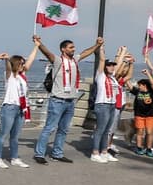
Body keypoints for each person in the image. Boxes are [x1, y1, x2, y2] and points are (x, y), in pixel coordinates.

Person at [33, 36, 102, 164]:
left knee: (63, 129)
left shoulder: (75, 60)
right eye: (71, 47)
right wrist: (39, 43)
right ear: (63, 49)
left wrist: (97, 45)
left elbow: (85, 53)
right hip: (57, 101)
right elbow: (47, 53)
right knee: (49, 128)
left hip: (70, 101)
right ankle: (39, 154)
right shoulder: (58, 61)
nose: (73, 49)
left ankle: (57, 154)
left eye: (73, 47)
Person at [0, 38, 40, 169]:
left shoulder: (22, 76)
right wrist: (7, 59)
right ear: (15, 64)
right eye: (20, 63)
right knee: (3, 134)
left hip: (21, 109)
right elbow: (8, 67)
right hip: (9, 108)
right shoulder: (10, 76)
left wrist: (36, 47)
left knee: (15, 136)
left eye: (22, 63)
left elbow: (30, 61)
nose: (22, 65)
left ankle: (14, 158)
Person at [90, 44, 125, 163]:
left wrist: (123, 52)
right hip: (102, 104)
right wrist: (101, 49)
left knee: (107, 131)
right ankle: (95, 153)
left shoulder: (113, 78)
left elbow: (118, 64)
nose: (112, 67)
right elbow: (101, 61)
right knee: (100, 130)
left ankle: (104, 152)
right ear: (105, 67)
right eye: (109, 65)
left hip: (111, 105)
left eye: (112, 66)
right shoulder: (100, 76)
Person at [131, 74, 153, 157]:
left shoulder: (152, 92)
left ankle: (148, 149)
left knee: (149, 132)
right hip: (139, 115)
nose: (139, 87)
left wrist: (148, 74)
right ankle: (139, 148)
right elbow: (129, 85)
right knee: (139, 132)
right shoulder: (137, 92)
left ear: (145, 85)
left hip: (150, 115)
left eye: (140, 85)